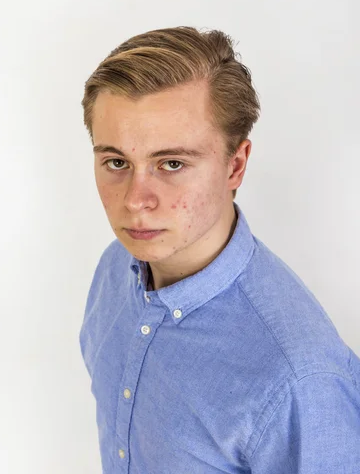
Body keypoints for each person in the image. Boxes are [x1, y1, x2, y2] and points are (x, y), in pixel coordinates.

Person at [79, 26, 360, 473]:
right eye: (116, 163)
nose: (135, 200)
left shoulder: (300, 379)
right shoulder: (116, 268)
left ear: (235, 165)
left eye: (172, 164)